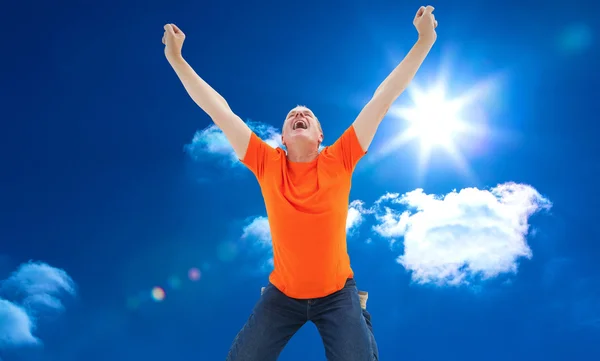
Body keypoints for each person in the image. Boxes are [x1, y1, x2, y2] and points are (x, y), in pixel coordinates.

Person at [162, 5, 438, 360]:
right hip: (282, 296)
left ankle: (358, 310)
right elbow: (219, 110)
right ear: (282, 137)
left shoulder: (340, 158)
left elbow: (383, 98)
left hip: (337, 294)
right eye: (292, 115)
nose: (298, 114)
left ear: (320, 134)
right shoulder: (266, 162)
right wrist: (177, 59)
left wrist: (424, 41)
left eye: (307, 114)